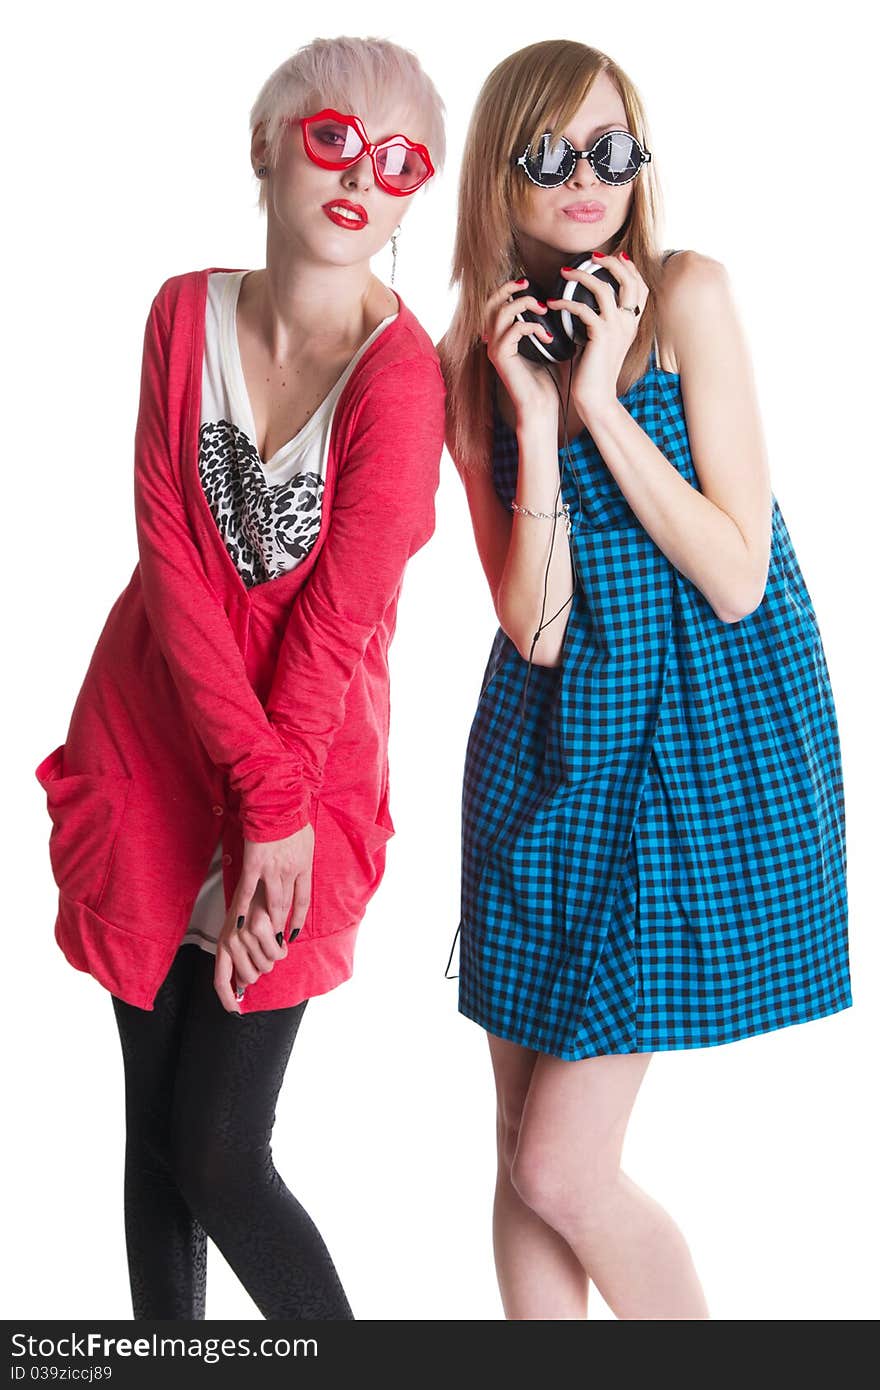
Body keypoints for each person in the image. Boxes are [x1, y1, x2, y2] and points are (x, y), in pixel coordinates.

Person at [33, 35, 446, 1320]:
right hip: (153, 753)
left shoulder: (404, 380)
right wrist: (244, 794)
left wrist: (276, 807)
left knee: (221, 1147)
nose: (359, 177)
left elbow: (337, 621)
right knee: (153, 1135)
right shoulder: (179, 313)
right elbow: (171, 560)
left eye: (398, 161)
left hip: (310, 769)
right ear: (266, 147)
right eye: (332, 137)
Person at [438, 38, 850, 1320]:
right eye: (552, 153)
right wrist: (541, 426)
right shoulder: (477, 359)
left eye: (609, 149)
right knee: (519, 1152)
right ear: (500, 174)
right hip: (546, 744)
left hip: (688, 748)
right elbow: (539, 628)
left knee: (564, 1161)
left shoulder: (688, 294)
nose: (585, 179)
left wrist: (608, 404)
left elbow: (734, 574)